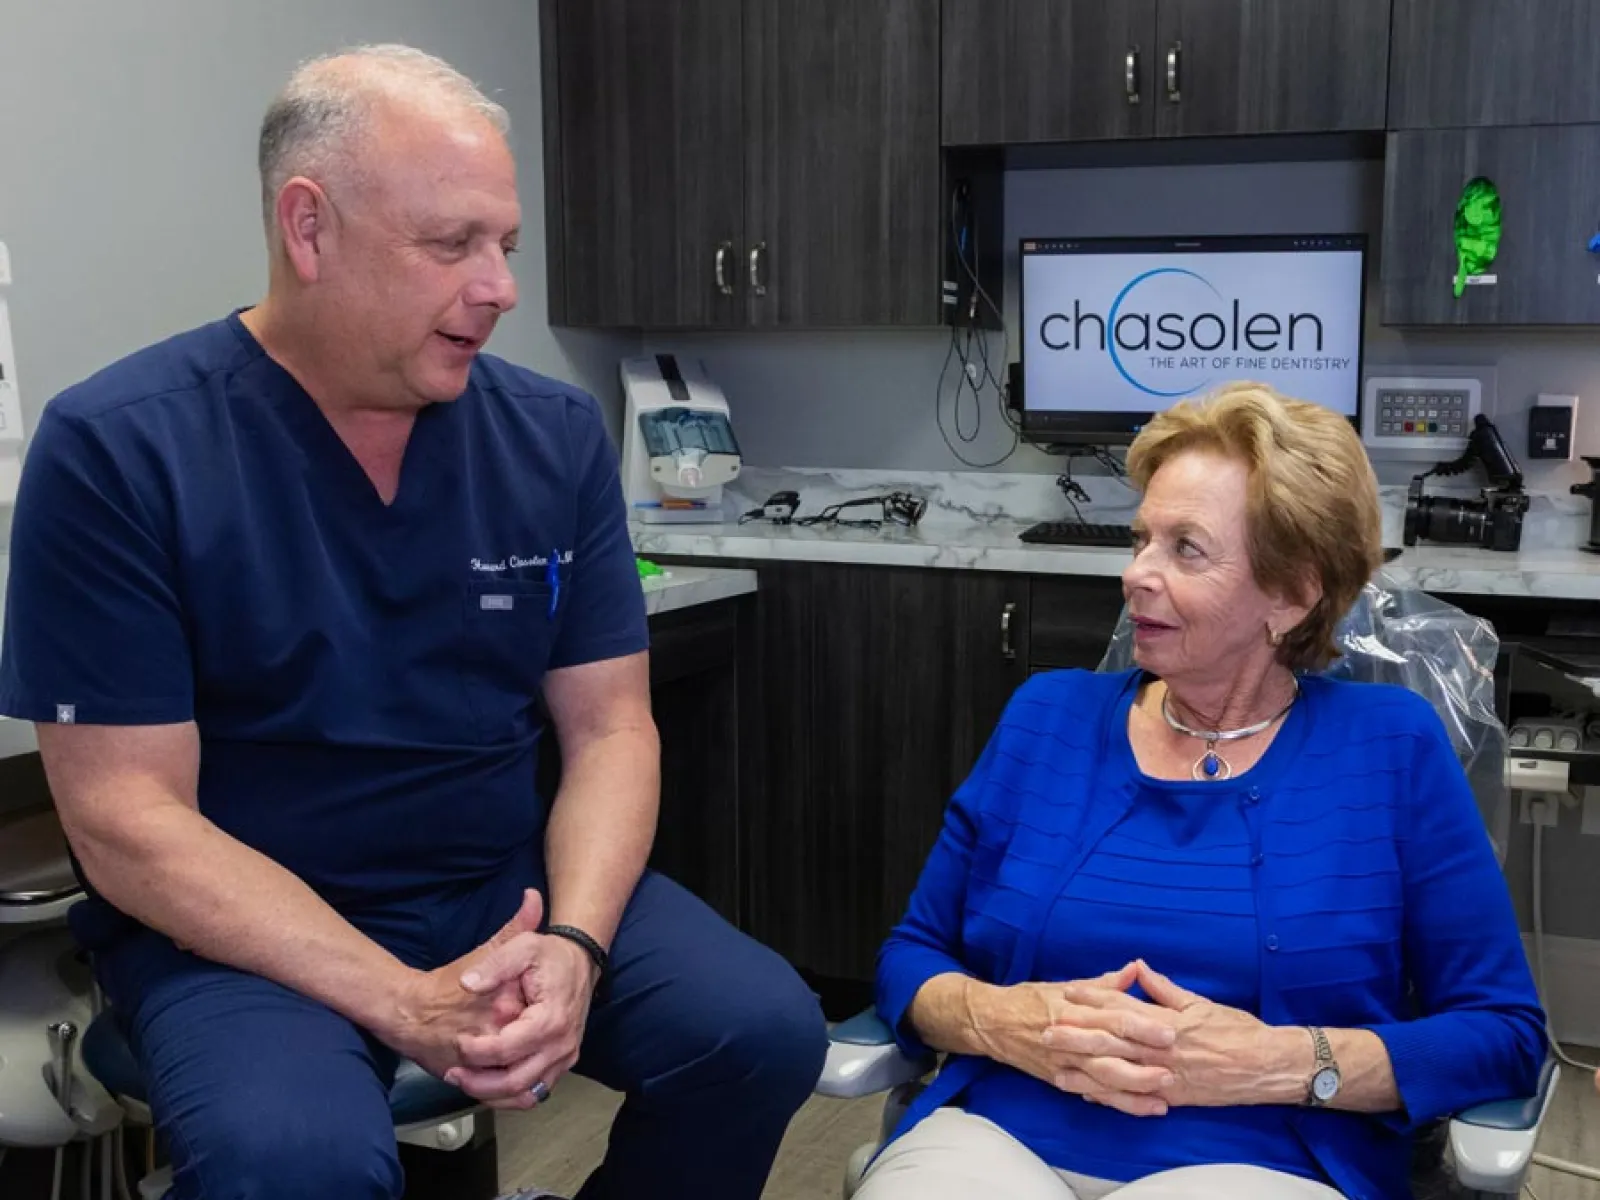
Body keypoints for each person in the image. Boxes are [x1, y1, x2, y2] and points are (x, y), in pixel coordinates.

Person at [0, 44, 824, 1200]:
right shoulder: (121, 450)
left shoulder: (549, 435)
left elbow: (611, 731)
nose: (499, 287)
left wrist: (577, 947)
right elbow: (125, 820)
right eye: (452, 245)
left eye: (506, 246)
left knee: (757, 1032)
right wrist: (399, 997)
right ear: (309, 227)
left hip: (503, 880)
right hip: (247, 930)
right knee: (298, 1166)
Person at [859, 383, 1545, 1200]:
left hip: (1261, 1158)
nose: (1135, 575)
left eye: (1186, 549)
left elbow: (1502, 1034)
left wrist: (1285, 1063)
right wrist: (1005, 1023)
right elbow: (911, 957)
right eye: (1141, 537)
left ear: (1292, 593)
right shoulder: (1046, 717)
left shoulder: (1390, 747)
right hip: (1000, 1133)